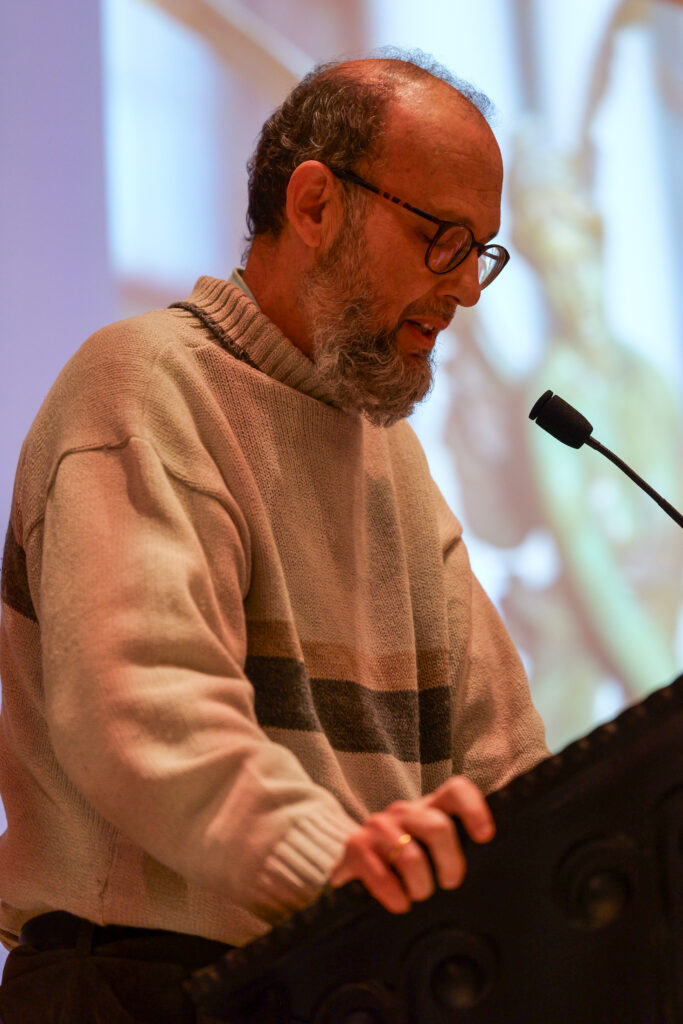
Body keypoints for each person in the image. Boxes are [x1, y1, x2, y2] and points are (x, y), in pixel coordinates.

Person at [0, 52, 548, 1022]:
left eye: (482, 253)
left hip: (352, 976)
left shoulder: (392, 461)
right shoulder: (144, 384)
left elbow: (501, 763)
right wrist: (337, 862)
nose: (466, 287)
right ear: (314, 205)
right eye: (441, 240)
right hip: (143, 985)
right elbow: (146, 716)